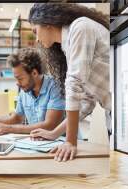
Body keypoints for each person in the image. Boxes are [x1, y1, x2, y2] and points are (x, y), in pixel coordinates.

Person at [28, 3, 111, 162]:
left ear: (47, 23)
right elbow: (86, 101)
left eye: (35, 31)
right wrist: (55, 133)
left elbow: (74, 83)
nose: (37, 39)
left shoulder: (80, 27)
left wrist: (70, 142)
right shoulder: (68, 45)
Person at [0, 48, 65, 135]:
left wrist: (9, 128)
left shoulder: (55, 87)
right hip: (35, 142)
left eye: (20, 78)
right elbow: (16, 119)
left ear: (34, 73)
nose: (17, 83)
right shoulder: (25, 90)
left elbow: (50, 125)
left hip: (58, 144)